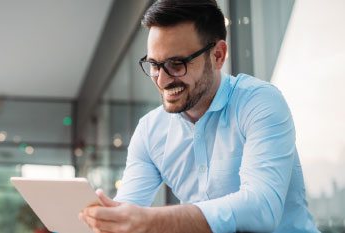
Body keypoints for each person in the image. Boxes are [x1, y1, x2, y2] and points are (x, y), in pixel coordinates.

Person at [79, 0, 319, 232]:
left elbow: (261, 209)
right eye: (154, 64)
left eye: (176, 63)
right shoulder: (150, 131)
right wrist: (107, 220)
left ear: (218, 55)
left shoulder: (259, 102)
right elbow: (127, 212)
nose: (162, 80)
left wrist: (149, 221)